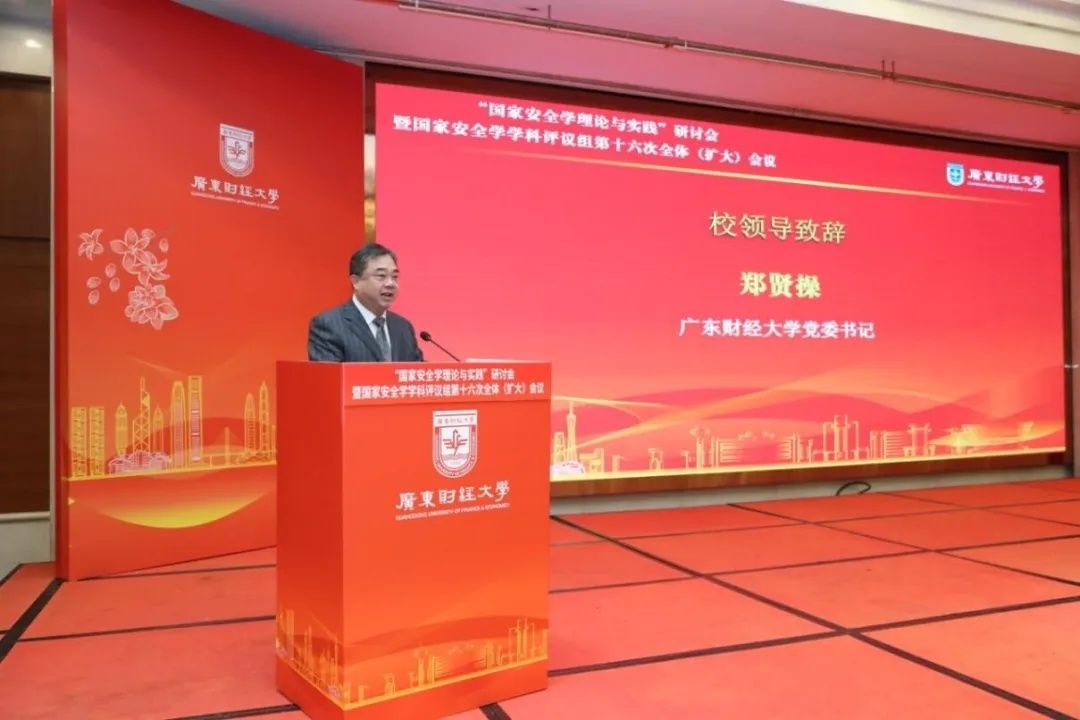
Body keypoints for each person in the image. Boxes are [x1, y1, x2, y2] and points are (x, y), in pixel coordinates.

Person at [307, 243, 424, 362]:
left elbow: (417, 370)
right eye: (381, 276)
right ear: (356, 282)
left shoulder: (403, 327)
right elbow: (330, 373)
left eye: (394, 277)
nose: (390, 284)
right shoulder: (329, 324)